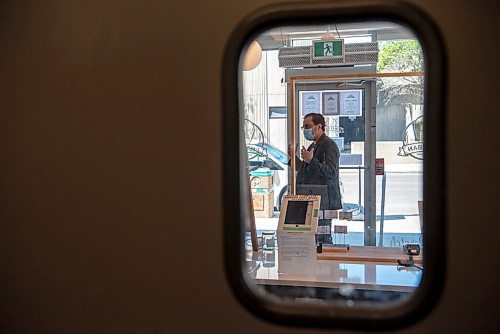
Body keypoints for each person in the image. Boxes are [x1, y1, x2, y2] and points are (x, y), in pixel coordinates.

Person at [289, 113, 342, 244]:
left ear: (319, 126)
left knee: (322, 237)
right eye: (303, 127)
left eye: (308, 126)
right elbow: (306, 169)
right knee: (313, 237)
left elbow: (330, 172)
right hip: (311, 197)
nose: (305, 130)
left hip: (323, 201)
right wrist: (292, 158)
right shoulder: (313, 145)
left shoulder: (329, 145)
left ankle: (326, 263)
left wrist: (311, 159)